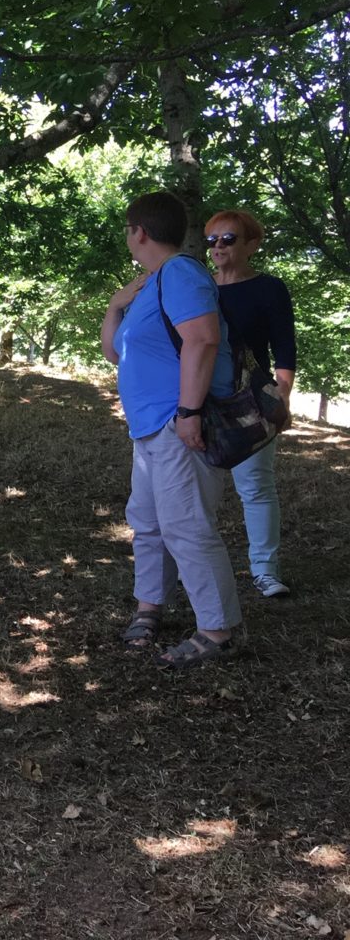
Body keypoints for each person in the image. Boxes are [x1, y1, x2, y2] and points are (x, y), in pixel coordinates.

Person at [100, 190, 242, 669]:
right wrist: (116, 305)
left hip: (176, 422)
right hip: (149, 429)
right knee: (148, 522)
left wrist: (189, 413)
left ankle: (217, 631)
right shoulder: (151, 284)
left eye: (127, 229)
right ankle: (149, 608)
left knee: (187, 525)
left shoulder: (180, 272)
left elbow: (202, 340)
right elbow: (118, 352)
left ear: (139, 231)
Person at [206, 208, 297, 598]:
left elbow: (285, 348)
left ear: (251, 244)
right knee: (198, 489)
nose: (218, 247)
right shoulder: (201, 289)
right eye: (212, 240)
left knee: (256, 486)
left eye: (228, 239)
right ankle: (197, 566)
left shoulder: (269, 288)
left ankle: (265, 570)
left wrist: (280, 398)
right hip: (201, 398)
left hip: (250, 398)